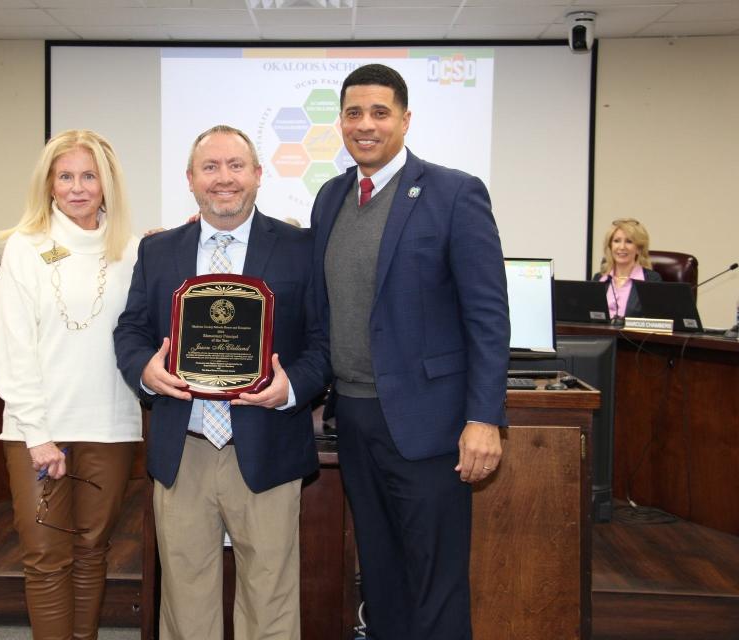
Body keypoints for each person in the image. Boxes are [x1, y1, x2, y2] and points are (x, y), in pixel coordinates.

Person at [309, 64, 510, 639]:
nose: (365, 124)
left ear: (405, 118)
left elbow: (488, 316)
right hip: (355, 418)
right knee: (381, 573)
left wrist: (483, 418)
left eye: (379, 112)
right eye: (353, 113)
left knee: (436, 580)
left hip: (430, 424)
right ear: (341, 121)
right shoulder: (330, 197)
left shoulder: (453, 192)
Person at [113, 125, 330, 640]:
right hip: (182, 447)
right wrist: (144, 369)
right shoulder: (159, 251)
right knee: (185, 599)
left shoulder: (302, 248)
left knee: (271, 599)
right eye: (210, 167)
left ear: (258, 175)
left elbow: (325, 342)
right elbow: (131, 330)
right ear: (191, 180)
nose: (224, 179)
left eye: (236, 166)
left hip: (268, 442)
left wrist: (291, 388)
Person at [0, 129, 141, 640]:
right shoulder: (25, 248)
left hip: (110, 424)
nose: (77, 188)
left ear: (106, 183)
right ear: (49, 184)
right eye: (65, 176)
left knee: (91, 551)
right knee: (46, 556)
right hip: (39, 430)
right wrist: (37, 434)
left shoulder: (134, 250)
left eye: (88, 175)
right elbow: (14, 349)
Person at [595, 218, 661, 319]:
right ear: (610, 246)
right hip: (600, 334)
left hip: (632, 335)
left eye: (629, 242)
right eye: (616, 241)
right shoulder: (599, 278)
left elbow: (656, 321)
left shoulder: (651, 280)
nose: (622, 247)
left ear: (639, 249)